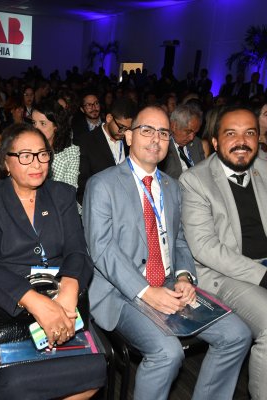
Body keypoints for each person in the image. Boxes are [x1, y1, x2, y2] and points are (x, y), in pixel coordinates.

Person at [83, 105, 252, 400]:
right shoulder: (102, 184)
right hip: (122, 292)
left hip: (171, 284)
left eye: (163, 132)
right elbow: (102, 249)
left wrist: (186, 276)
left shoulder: (173, 188)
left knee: (237, 335)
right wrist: (146, 291)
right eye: (146, 130)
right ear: (128, 137)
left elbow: (181, 241)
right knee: (167, 352)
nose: (155, 139)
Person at [0, 123, 106, 400]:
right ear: (6, 162)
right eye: (26, 156)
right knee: (15, 383)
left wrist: (68, 291)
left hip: (61, 301)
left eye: (43, 154)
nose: (37, 163)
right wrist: (33, 301)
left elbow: (77, 250)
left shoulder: (62, 195)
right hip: (4, 310)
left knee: (95, 370)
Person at [179, 105, 267, 400]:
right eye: (231, 134)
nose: (241, 141)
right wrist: (263, 275)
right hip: (221, 275)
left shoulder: (265, 167)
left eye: (249, 133)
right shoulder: (195, 180)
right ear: (215, 142)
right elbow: (204, 247)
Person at [77, 98, 134, 205]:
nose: (124, 132)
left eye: (128, 128)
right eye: (121, 127)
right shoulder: (86, 142)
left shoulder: (131, 140)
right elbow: (82, 184)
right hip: (99, 205)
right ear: (109, 118)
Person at [32, 99, 80, 189]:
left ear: (56, 126)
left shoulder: (70, 152)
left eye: (43, 123)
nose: (36, 129)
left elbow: (69, 189)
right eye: (34, 123)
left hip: (59, 201)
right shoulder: (26, 149)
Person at [158, 103, 205, 179]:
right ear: (174, 126)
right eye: (188, 131)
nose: (191, 137)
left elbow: (203, 171)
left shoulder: (196, 142)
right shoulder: (162, 144)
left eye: (195, 133)